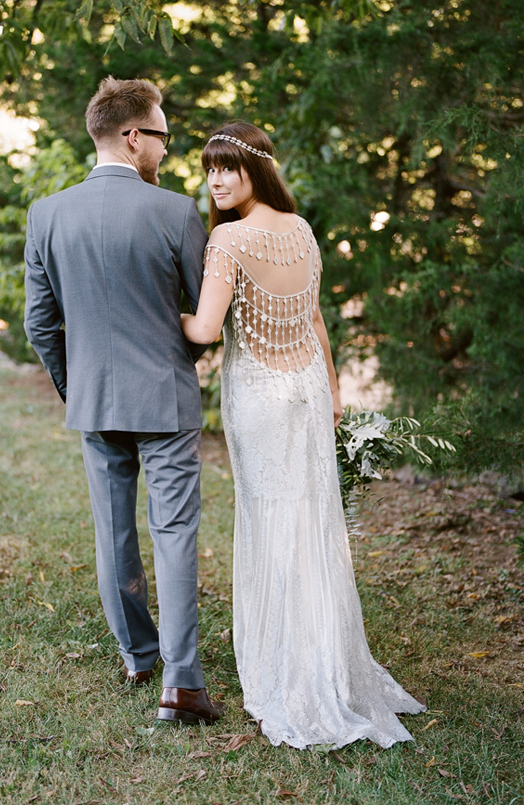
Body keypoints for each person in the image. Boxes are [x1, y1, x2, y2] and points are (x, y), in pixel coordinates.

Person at [182, 123, 425, 748]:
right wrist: (337, 389)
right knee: (313, 522)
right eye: (210, 168)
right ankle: (325, 661)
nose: (216, 179)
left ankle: (289, 671)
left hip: (261, 396)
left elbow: (206, 331)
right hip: (311, 389)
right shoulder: (301, 229)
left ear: (255, 170)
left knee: (272, 521)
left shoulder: (229, 239)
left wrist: (155, 307)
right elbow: (315, 317)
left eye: (228, 167)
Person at [24, 77, 223, 726]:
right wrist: (176, 363)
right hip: (164, 400)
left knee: (114, 536)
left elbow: (39, 323)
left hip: (94, 401)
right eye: (162, 136)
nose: (166, 150)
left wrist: (74, 381)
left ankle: (139, 657)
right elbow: (203, 313)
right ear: (134, 136)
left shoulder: (47, 213)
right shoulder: (176, 212)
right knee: (174, 534)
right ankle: (183, 683)